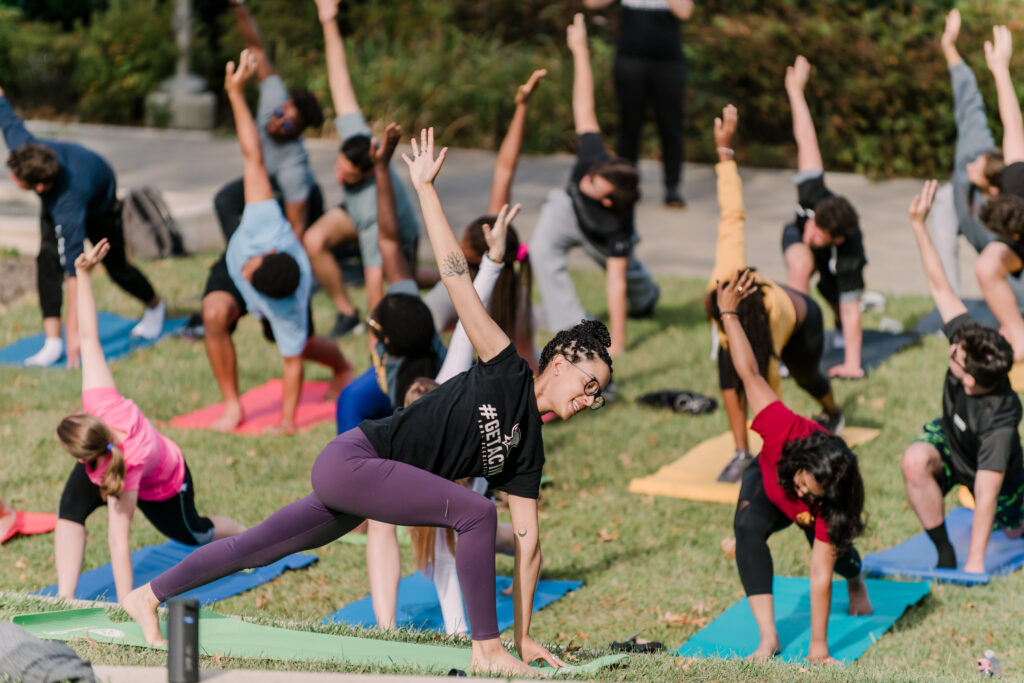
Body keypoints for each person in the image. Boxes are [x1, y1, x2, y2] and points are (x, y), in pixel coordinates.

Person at [123, 125, 613, 678]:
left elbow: (529, 547)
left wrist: (528, 639)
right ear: (563, 359)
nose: (591, 400)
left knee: (258, 547)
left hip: (367, 484)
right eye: (589, 384)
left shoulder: (528, 449)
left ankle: (148, 595)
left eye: (597, 396)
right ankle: (485, 650)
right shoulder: (503, 365)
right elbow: (455, 280)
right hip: (354, 461)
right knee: (475, 511)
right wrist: (426, 189)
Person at [53, 238, 245, 603]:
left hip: (166, 483)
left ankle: (247, 535)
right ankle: (64, 595)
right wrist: (83, 275)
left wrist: (129, 603)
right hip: (110, 456)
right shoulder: (99, 403)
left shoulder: (127, 465)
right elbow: (89, 336)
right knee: (70, 508)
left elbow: (118, 539)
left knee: (196, 535)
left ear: (84, 455)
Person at [718, 269, 872, 664]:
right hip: (767, 482)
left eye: (809, 492)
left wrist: (819, 652)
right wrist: (729, 315)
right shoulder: (784, 428)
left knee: (838, 560)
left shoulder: (836, 499)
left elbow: (818, 574)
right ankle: (768, 638)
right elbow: (749, 371)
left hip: (820, 514)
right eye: (803, 483)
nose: (802, 491)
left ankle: (857, 579)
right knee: (747, 528)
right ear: (801, 462)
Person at [201, 50, 351, 433]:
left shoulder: (288, 304)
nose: (249, 276)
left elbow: (291, 364)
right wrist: (235, 93)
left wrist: (286, 422)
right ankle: (232, 405)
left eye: (251, 278)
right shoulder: (264, 221)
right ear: (266, 253)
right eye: (254, 271)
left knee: (301, 345)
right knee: (215, 313)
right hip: (239, 255)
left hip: (282, 292)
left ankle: (342, 366)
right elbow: (252, 155)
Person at [704, 105, 843, 483]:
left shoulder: (764, 333)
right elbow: (732, 213)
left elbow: (771, 405)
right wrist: (725, 153)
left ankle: (832, 409)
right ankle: (738, 450)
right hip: (763, 307)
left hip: (800, 318)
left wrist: (776, 460)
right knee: (728, 374)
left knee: (806, 376)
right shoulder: (724, 274)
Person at [903, 179, 1024, 572]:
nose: (952, 348)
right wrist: (919, 226)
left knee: (1013, 527)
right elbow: (941, 287)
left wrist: (976, 567)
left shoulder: (1001, 417)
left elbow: (986, 495)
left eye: (957, 354)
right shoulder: (971, 345)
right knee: (915, 459)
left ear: (970, 380)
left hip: (1001, 482)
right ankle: (943, 551)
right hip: (955, 445)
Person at [0, 88, 165, 369]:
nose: (12, 178)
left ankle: (155, 306)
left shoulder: (68, 203)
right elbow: (6, 112)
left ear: (38, 187)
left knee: (116, 267)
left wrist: (75, 335)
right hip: (63, 191)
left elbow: (76, 271)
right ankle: (52, 342)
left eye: (17, 179)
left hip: (100, 207)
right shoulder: (26, 149)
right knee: (46, 261)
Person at [530, 13, 660, 357]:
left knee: (632, 280)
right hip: (567, 212)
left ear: (608, 201)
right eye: (595, 172)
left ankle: (648, 296)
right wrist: (580, 51)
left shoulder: (616, 223)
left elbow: (614, 283)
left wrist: (618, 340)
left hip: (602, 238)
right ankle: (573, 324)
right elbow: (584, 105)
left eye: (597, 182)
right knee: (541, 251)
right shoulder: (593, 158)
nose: (589, 177)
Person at [306, 0, 429, 338]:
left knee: (402, 280)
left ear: (365, 173)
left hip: (397, 232)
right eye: (338, 166)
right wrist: (328, 20)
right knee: (313, 240)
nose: (338, 177)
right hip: (357, 213)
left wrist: (376, 336)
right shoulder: (358, 139)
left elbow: (373, 274)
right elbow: (340, 81)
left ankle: (461, 274)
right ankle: (346, 312)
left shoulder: (373, 210)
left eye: (346, 176)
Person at [422, 69, 546, 368]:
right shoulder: (512, 281)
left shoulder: (476, 289)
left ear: (481, 255)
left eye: (464, 240)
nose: (460, 240)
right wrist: (521, 107)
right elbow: (505, 169)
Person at [781, 55, 866, 379]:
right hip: (790, 237)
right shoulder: (813, 194)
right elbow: (806, 137)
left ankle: (839, 334)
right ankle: (792, 346)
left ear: (837, 238)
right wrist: (795, 91)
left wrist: (853, 364)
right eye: (813, 225)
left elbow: (851, 305)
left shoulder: (849, 251)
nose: (811, 234)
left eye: (818, 235)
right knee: (801, 263)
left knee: (837, 299)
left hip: (835, 264)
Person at [213, 0, 325, 243]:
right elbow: (256, 48)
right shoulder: (274, 97)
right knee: (225, 201)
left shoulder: (293, 167)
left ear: (296, 133)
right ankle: (239, 253)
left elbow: (296, 227)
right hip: (267, 185)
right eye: (279, 114)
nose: (277, 121)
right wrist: (238, 6)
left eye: (286, 124)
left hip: (300, 201)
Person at [930, 9, 1012, 297]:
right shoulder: (978, 149)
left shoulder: (1008, 218)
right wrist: (949, 47)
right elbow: (969, 102)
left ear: (991, 187)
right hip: (959, 207)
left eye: (978, 168)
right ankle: (951, 300)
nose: (971, 164)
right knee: (941, 199)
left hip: (992, 242)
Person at [582, 0, 694, 207]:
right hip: (630, 59)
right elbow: (591, 3)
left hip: (668, 62)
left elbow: (684, 11)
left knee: (671, 127)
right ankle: (625, 186)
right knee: (629, 127)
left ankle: (672, 188)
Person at [975, 25, 1024, 362]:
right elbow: (1012, 123)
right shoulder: (1015, 177)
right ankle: (1019, 337)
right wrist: (999, 69)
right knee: (988, 265)